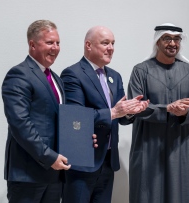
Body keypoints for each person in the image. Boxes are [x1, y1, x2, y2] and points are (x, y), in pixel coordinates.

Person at [60, 26, 148, 203]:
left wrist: (131, 112)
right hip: (83, 162)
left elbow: (120, 117)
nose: (111, 48)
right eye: (105, 43)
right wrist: (114, 112)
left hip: (108, 161)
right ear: (88, 45)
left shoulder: (114, 76)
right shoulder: (73, 74)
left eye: (113, 43)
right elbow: (77, 119)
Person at [127, 23, 189, 203]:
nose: (173, 43)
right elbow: (135, 106)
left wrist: (186, 112)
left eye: (176, 39)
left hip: (179, 145)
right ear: (157, 41)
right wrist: (167, 109)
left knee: (179, 192)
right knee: (147, 192)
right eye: (167, 39)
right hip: (148, 145)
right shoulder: (141, 71)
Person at [2, 20, 73, 203]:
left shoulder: (56, 79)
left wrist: (82, 140)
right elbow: (20, 124)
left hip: (54, 174)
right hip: (27, 174)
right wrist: (50, 157)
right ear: (32, 44)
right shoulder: (19, 75)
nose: (55, 48)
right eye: (50, 42)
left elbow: (62, 121)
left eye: (58, 43)